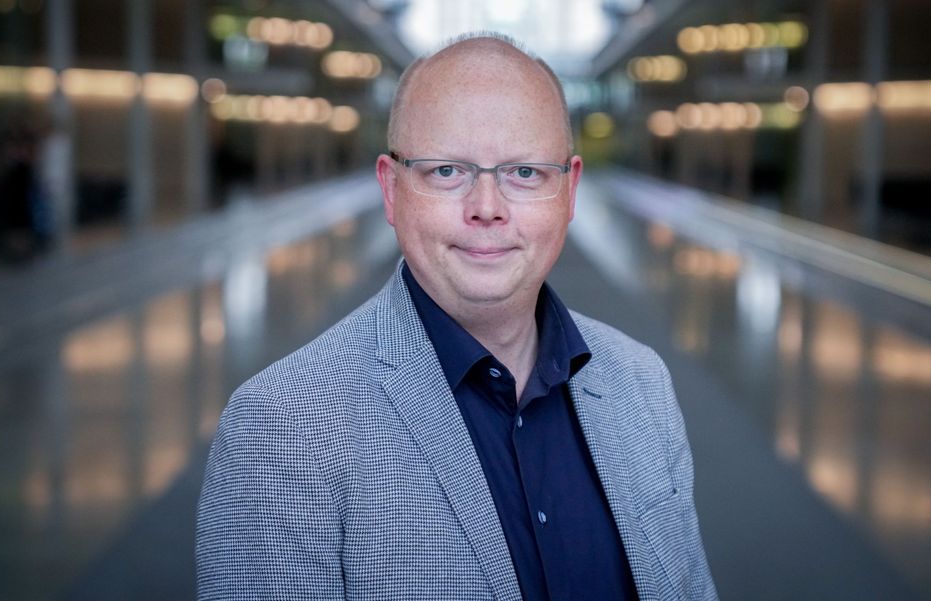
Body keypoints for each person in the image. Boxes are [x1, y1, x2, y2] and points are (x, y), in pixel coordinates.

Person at [197, 33, 718, 601]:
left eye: (525, 173)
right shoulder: (282, 429)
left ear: (569, 192)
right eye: (447, 171)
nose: (487, 208)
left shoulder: (642, 385)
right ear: (391, 190)